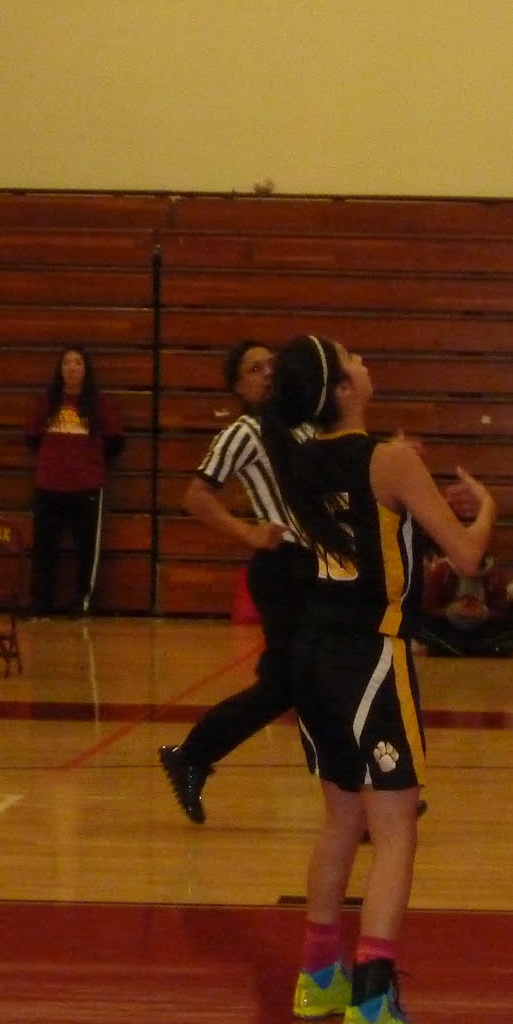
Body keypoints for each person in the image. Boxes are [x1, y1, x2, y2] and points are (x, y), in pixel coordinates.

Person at [260, 333, 496, 1024]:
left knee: (340, 821)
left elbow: (375, 523)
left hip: (313, 653)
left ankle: (318, 978)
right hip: (369, 653)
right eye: (352, 359)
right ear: (341, 389)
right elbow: (467, 556)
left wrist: (416, 498)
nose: (365, 361)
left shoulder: (304, 458)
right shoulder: (389, 460)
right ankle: (371, 1008)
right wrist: (486, 506)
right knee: (395, 831)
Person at [157, 341, 318, 824]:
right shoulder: (243, 432)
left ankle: (193, 755)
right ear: (238, 386)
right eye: (255, 368)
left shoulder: (305, 424)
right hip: (284, 569)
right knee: (304, 684)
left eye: (271, 365)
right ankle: (367, 797)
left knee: (299, 686)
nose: (268, 373)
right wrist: (248, 532)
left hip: (318, 568)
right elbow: (196, 496)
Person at [23, 345, 124, 617]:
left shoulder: (99, 403)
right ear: (60, 369)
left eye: (78, 362)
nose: (72, 368)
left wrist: (88, 462)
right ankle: (41, 603)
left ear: (86, 369)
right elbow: (31, 438)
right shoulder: (47, 402)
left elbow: (115, 441)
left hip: (87, 487)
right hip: (49, 485)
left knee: (87, 550)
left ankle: (83, 602)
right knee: (44, 549)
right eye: (67, 362)